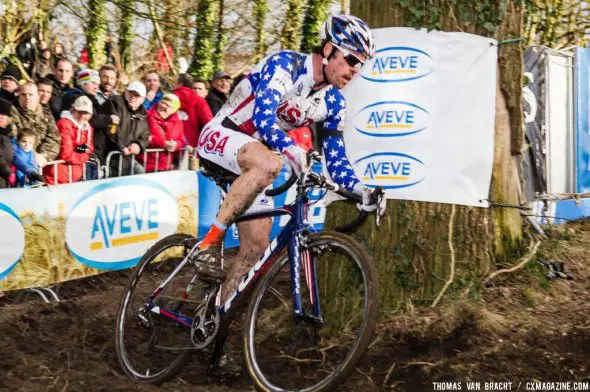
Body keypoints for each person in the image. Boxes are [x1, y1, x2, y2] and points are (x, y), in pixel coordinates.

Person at [194, 15, 383, 377]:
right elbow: (264, 118)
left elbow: (337, 159)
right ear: (329, 50)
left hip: (256, 161)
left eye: (362, 63)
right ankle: (208, 243)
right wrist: (292, 151)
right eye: (353, 59)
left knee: (255, 248)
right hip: (223, 135)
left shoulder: (334, 102)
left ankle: (212, 328)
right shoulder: (285, 64)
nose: (356, 70)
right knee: (271, 162)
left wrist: (361, 190)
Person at [95, 81, 150, 176]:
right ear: (125, 92)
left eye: (137, 95)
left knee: (140, 172)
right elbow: (112, 128)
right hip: (107, 156)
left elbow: (145, 137)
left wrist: (138, 146)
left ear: (143, 99)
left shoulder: (143, 115)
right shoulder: (116, 101)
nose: (133, 97)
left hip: (125, 160)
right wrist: (122, 146)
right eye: (130, 93)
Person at [44, 96, 94, 184]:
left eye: (86, 113)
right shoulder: (64, 124)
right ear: (73, 110)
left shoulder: (88, 128)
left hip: (73, 178)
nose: (82, 116)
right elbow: (66, 154)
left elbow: (89, 148)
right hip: (55, 177)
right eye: (80, 112)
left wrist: (81, 150)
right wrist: (84, 156)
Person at [9, 82, 61, 167]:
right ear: (18, 96)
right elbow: (14, 138)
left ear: (37, 97)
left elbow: (54, 138)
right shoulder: (11, 113)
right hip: (20, 164)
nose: (27, 98)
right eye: (23, 95)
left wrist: (43, 155)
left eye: (31, 95)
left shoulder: (46, 114)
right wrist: (33, 157)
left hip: (44, 164)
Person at [140, 93, 185, 172]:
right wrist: (163, 143)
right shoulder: (147, 116)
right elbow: (143, 136)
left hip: (166, 167)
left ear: (173, 110)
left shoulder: (178, 122)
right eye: (162, 102)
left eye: (167, 105)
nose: (163, 106)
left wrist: (175, 145)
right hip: (146, 164)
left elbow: (181, 141)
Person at [173, 73, 213, 147]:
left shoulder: (169, 98)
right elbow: (209, 125)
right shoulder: (200, 101)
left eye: (174, 83)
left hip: (170, 146)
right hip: (191, 147)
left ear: (180, 83)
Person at [0, 99, 14, 188]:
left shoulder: (8, 134)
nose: (0, 116)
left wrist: (29, 172)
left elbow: (16, 155)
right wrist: (9, 172)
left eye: (3, 114)